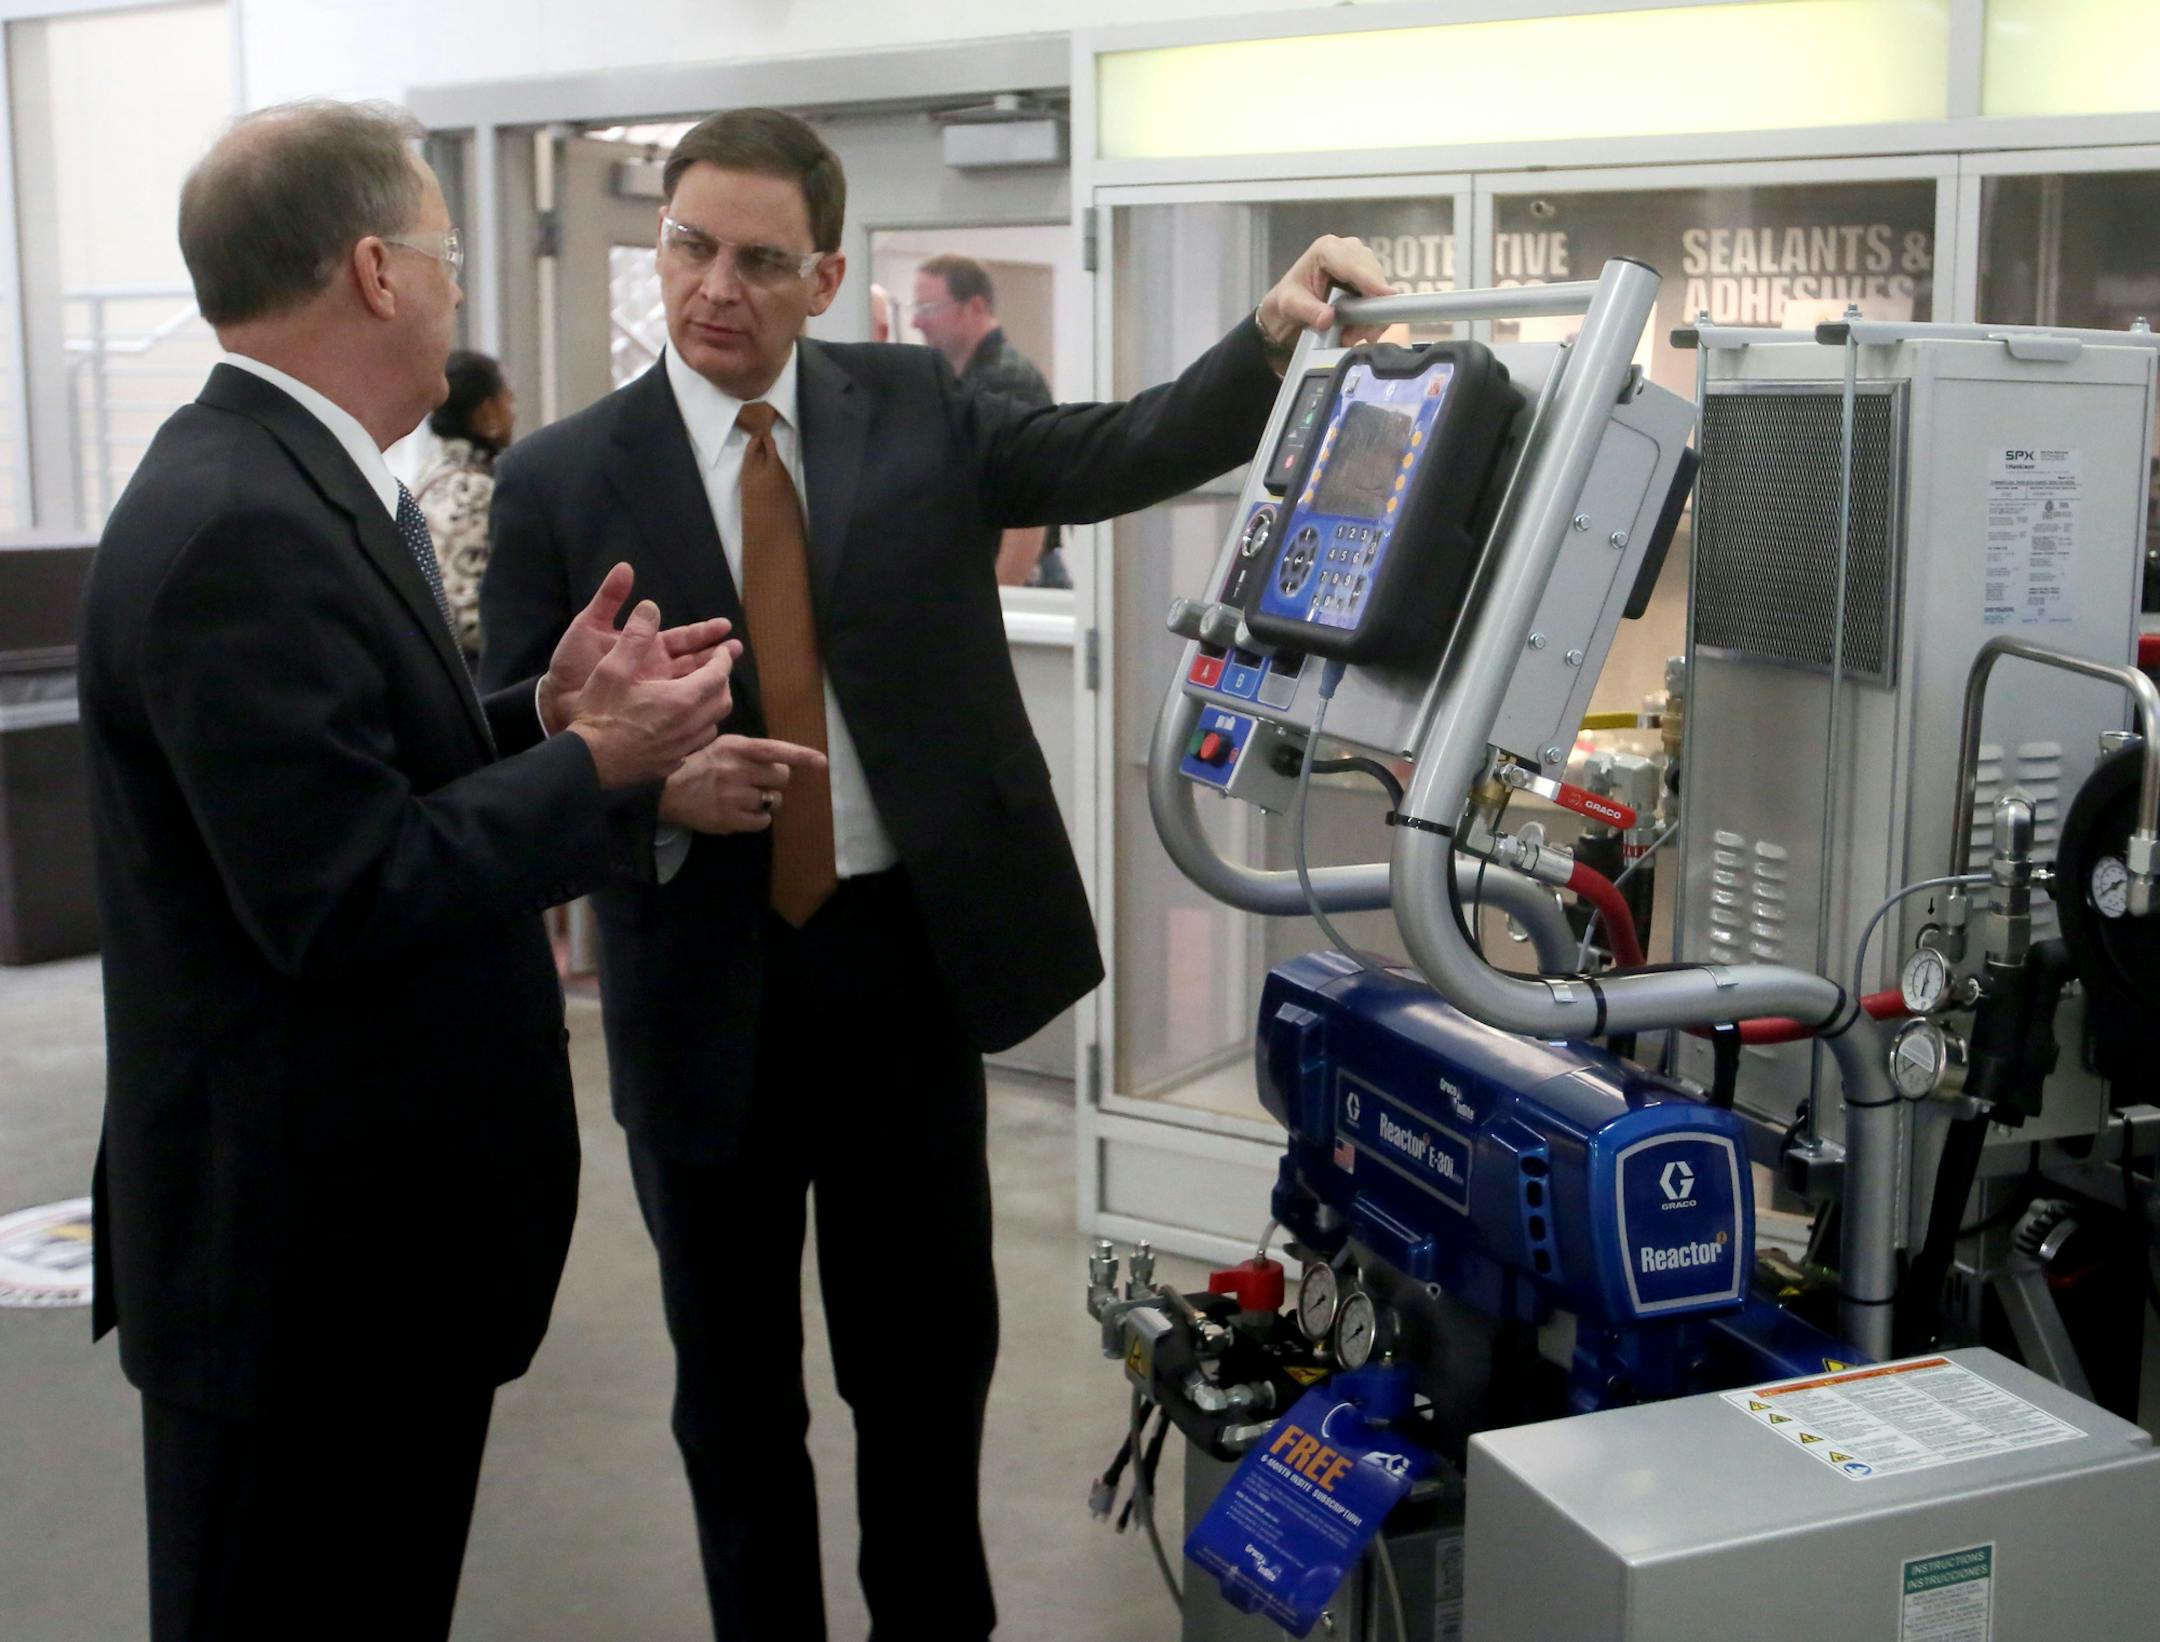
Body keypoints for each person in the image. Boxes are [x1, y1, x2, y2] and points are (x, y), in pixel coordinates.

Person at [480, 105, 1388, 1642]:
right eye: (693, 245)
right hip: (702, 980)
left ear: (825, 277)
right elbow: (514, 747)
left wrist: (1268, 337)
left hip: (899, 971)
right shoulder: (566, 478)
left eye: (763, 261)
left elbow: (1120, 447)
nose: (719, 285)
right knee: (737, 1396)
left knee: (921, 1373)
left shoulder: (915, 408)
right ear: (662, 243)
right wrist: (646, 792)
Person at [76, 100, 739, 1642]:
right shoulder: (238, 521)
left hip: (357, 1257)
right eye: (444, 254)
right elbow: (342, 890)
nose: (457, 290)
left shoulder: (307, 483)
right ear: (375, 269)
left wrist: (541, 715)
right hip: (306, 1277)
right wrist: (600, 766)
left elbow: (356, 771)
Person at [910, 251, 1066, 587]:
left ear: (976, 307)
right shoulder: (971, 379)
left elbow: (1026, 515)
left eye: (929, 309)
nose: (916, 322)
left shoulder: (1004, 382)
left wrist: (1001, 605)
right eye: (916, 310)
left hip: (1016, 578)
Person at [415, 347, 514, 660]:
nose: (514, 411)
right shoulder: (475, 490)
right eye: (508, 399)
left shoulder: (429, 473)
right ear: (487, 414)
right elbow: (463, 613)